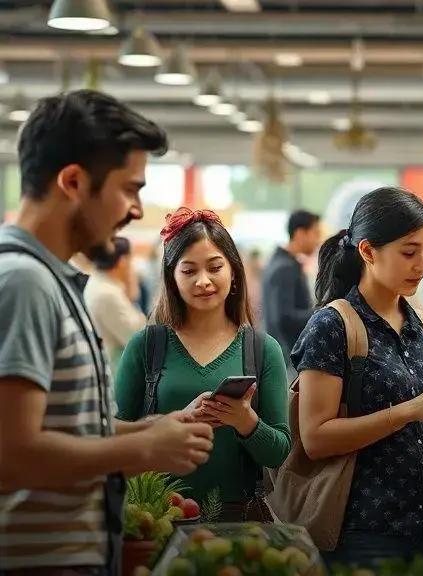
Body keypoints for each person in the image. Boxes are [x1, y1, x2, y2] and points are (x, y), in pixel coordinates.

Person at [0, 90, 213, 574]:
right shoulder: (24, 282)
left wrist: (146, 429)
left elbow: (61, 429)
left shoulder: (51, 279)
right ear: (73, 181)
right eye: (129, 189)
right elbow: (11, 453)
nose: (137, 210)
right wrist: (139, 450)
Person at [290, 187, 423, 573]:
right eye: (409, 252)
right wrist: (410, 411)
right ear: (367, 251)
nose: (422, 265)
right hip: (363, 531)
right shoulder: (333, 326)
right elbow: (316, 438)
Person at [115, 207, 291, 519]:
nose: (203, 281)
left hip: (238, 523)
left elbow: (278, 453)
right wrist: (172, 423)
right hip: (154, 518)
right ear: (172, 277)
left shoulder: (262, 350)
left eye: (214, 267)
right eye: (189, 271)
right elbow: (113, 433)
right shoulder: (146, 346)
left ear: (233, 271)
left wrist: (245, 421)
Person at [263, 209, 321, 378]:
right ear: (300, 233)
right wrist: (321, 312)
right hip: (288, 359)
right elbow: (284, 317)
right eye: (315, 233)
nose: (317, 240)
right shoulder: (285, 268)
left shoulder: (280, 262)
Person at [85, 236, 147, 374]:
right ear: (122, 262)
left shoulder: (98, 284)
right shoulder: (108, 294)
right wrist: (133, 293)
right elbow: (139, 340)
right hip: (114, 371)